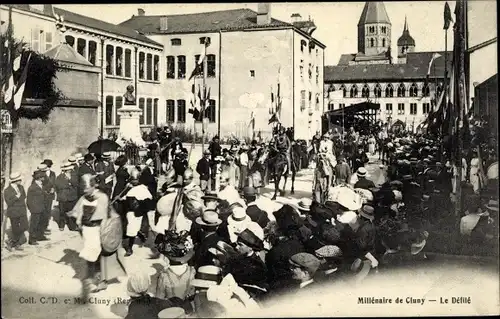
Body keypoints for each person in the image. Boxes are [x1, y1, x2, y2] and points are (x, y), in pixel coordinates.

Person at [72, 174, 126, 294]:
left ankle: (100, 281)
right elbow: (78, 212)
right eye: (83, 189)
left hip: (100, 230)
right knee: (90, 256)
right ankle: (92, 279)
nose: (85, 191)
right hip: (87, 232)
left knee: (100, 256)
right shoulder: (83, 198)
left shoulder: (102, 197)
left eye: (87, 189)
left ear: (93, 186)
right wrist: (78, 219)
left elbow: (104, 216)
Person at [155, 230, 196, 301]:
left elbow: (159, 299)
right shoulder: (192, 271)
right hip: (188, 307)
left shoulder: (164, 275)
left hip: (170, 309)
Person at [4, 172, 28, 251]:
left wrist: (19, 198)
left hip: (22, 210)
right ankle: (16, 244)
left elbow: (24, 196)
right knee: (15, 229)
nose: (21, 181)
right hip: (13, 212)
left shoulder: (21, 187)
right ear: (15, 181)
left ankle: (11, 241)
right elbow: (9, 202)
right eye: (19, 180)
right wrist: (16, 197)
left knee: (24, 226)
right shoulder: (7, 190)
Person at [54, 162, 79, 231]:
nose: (69, 171)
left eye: (69, 170)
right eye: (67, 170)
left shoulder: (74, 175)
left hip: (72, 197)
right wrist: (68, 185)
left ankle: (72, 226)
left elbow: (76, 184)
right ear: (64, 170)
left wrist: (70, 180)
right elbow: (58, 186)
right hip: (63, 197)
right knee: (62, 212)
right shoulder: (59, 177)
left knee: (71, 212)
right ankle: (61, 225)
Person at [27, 171, 49, 245]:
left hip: (42, 208)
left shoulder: (41, 185)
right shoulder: (32, 187)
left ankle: (39, 236)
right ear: (39, 178)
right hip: (35, 209)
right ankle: (32, 240)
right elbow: (29, 200)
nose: (44, 178)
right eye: (42, 177)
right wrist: (32, 209)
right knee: (34, 224)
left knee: (41, 223)